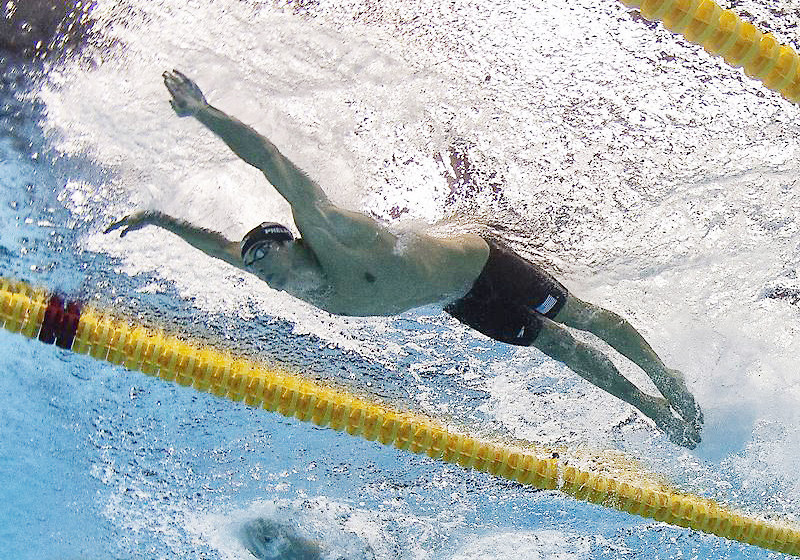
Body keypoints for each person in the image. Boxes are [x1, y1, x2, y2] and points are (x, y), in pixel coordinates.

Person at [106, 70, 703, 448]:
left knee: (582, 318)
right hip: (455, 299)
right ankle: (648, 407)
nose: (255, 266)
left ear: (289, 242)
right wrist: (159, 220)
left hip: (482, 264)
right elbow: (217, 247)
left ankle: (665, 378)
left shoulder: (326, 232)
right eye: (252, 263)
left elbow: (268, 158)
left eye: (262, 254)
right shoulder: (289, 282)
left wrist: (204, 114)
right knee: (559, 348)